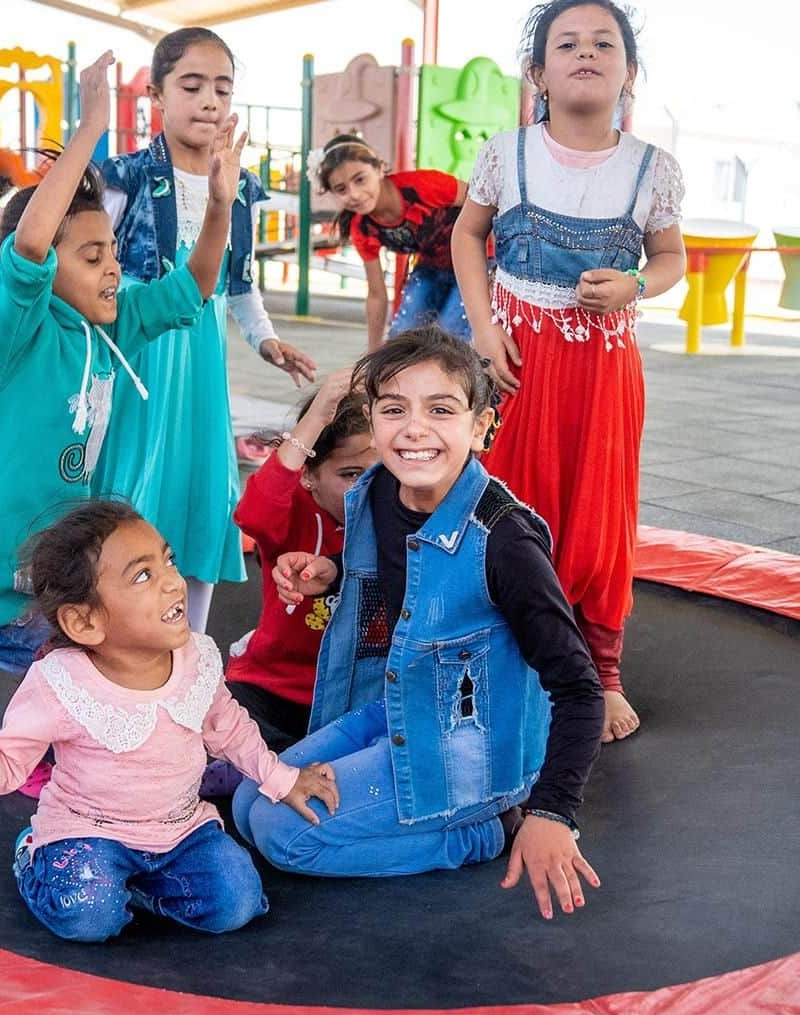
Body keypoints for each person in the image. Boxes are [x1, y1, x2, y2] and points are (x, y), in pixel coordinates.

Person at [233, 327, 604, 922]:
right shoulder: (381, 490)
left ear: (481, 426)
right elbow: (408, 571)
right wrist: (332, 570)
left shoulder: (506, 542)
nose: (415, 429)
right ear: (372, 419)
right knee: (253, 796)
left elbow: (580, 688)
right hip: (399, 707)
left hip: (467, 750)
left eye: (440, 410)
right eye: (395, 409)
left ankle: (479, 832)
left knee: (283, 833)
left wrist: (552, 814)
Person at [0, 52, 242, 678]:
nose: (113, 268)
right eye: (93, 257)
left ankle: (67, 751)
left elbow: (194, 288)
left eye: (112, 252)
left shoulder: (111, 328)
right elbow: (33, 243)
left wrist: (220, 205)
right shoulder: (19, 333)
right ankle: (60, 762)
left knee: (135, 651)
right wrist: (92, 125)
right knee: (117, 667)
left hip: (45, 582)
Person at [0, 502, 339, 941]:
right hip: (87, 831)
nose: (173, 583)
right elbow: (6, 769)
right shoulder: (60, 683)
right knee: (88, 917)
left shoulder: (196, 658)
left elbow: (229, 727)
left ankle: (139, 889)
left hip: (181, 830)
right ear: (85, 622)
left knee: (236, 903)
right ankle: (35, 857)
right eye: (144, 576)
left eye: (169, 561)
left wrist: (282, 779)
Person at [451, 0, 686, 742]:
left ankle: (599, 670)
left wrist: (636, 285)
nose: (586, 53)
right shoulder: (507, 153)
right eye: (567, 43)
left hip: (604, 370)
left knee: (600, 510)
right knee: (507, 503)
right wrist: (484, 329)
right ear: (538, 72)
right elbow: (467, 234)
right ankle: (494, 656)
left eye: (604, 43)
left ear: (629, 71)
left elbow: (671, 257)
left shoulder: (651, 168)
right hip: (517, 360)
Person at [96, 27, 317, 633]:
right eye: (191, 86)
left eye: (222, 88)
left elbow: (239, 284)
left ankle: (187, 645)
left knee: (202, 496)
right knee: (132, 489)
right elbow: (90, 268)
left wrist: (266, 340)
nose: (209, 100)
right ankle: (116, 640)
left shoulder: (241, 186)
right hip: (139, 355)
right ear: (157, 97)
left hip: (199, 363)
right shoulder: (126, 178)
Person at [225, 370, 376, 752]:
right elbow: (253, 511)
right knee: (227, 734)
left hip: (352, 700)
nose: (365, 487)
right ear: (309, 475)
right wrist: (315, 419)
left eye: (378, 472)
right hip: (271, 689)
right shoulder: (294, 511)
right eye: (349, 474)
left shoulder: (394, 515)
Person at [308, 133, 467, 350]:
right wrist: (373, 354)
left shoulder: (423, 185)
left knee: (451, 333)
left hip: (476, 260)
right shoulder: (362, 227)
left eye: (360, 179)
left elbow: (482, 201)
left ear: (379, 168)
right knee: (402, 337)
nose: (354, 194)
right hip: (433, 266)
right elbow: (376, 294)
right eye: (341, 189)